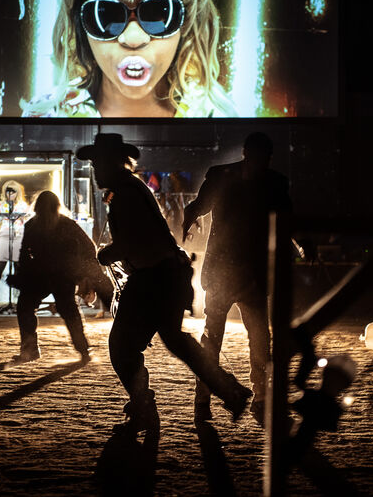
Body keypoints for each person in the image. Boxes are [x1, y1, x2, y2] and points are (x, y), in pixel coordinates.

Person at [76, 132, 252, 433]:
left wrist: (104, 254)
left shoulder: (125, 194)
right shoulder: (129, 189)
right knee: (174, 340)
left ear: (110, 164)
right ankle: (228, 390)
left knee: (122, 347)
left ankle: (146, 405)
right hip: (166, 275)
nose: (94, 170)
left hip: (153, 278)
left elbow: (130, 242)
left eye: (97, 163)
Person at [21, 0, 237, 118]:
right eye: (106, 14)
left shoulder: (216, 115)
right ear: (80, 24)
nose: (133, 39)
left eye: (159, 13)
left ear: (186, 21)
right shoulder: (47, 114)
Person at [182, 131, 292, 425]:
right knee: (228, 337)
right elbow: (197, 206)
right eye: (259, 156)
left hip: (245, 273)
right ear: (249, 154)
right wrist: (188, 218)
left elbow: (197, 207)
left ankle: (252, 395)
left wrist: (188, 220)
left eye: (264, 158)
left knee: (254, 338)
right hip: (230, 272)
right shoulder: (265, 181)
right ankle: (208, 394)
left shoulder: (242, 178)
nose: (261, 162)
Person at [9, 191, 114, 362]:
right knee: (67, 310)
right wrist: (82, 269)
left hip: (47, 276)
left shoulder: (33, 226)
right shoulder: (65, 224)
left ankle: (30, 349)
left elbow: (23, 254)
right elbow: (88, 246)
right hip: (59, 275)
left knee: (28, 307)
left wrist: (24, 273)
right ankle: (83, 349)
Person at [0, 181, 31, 305]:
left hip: (18, 236)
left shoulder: (23, 205)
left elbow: (30, 218)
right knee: (0, 264)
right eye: (8, 191)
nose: (10, 194)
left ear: (18, 193)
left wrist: (22, 218)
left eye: (13, 191)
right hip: (5, 235)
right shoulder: (1, 204)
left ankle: (18, 296)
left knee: (18, 266)